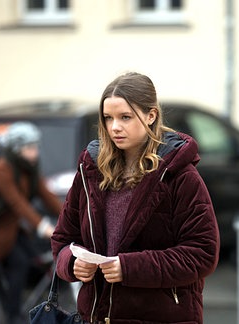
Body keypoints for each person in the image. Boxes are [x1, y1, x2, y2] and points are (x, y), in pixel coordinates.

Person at [50, 72, 220, 323]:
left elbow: (202, 253)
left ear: (151, 115)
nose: (114, 127)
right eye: (108, 118)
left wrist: (129, 268)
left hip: (161, 316)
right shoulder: (91, 170)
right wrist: (72, 262)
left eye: (125, 117)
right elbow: (63, 240)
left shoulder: (180, 176)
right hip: (97, 316)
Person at [0, 121, 60, 324]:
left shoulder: (29, 168)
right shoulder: (2, 169)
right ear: (18, 149)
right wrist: (45, 227)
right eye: (29, 147)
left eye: (35, 146)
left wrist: (71, 217)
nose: (34, 151)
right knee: (17, 263)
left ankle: (13, 309)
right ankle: (12, 314)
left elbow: (47, 196)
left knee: (27, 261)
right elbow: (18, 204)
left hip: (10, 230)